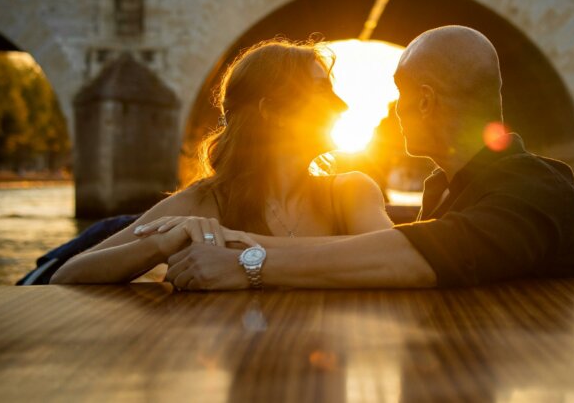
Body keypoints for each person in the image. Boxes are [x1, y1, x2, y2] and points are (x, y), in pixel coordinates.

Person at [137, 26, 574, 289]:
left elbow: (412, 259)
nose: (395, 111)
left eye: (399, 97)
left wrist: (246, 262)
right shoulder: (443, 188)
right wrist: (238, 243)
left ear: (425, 101)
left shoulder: (537, 187)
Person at [50, 40, 393, 284]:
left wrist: (244, 256)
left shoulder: (351, 192)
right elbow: (67, 275)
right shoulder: (205, 202)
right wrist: (159, 244)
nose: (342, 106)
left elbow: (393, 257)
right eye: (322, 91)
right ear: (272, 112)